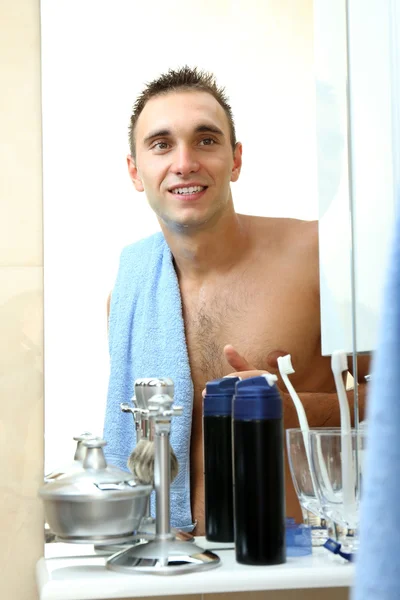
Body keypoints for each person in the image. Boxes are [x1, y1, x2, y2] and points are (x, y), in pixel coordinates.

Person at [105, 66, 369, 535]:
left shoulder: (319, 257)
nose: (184, 162)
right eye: (162, 144)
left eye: (206, 140)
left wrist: (295, 410)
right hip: (172, 563)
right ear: (135, 171)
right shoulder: (128, 294)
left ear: (236, 159)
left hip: (293, 563)